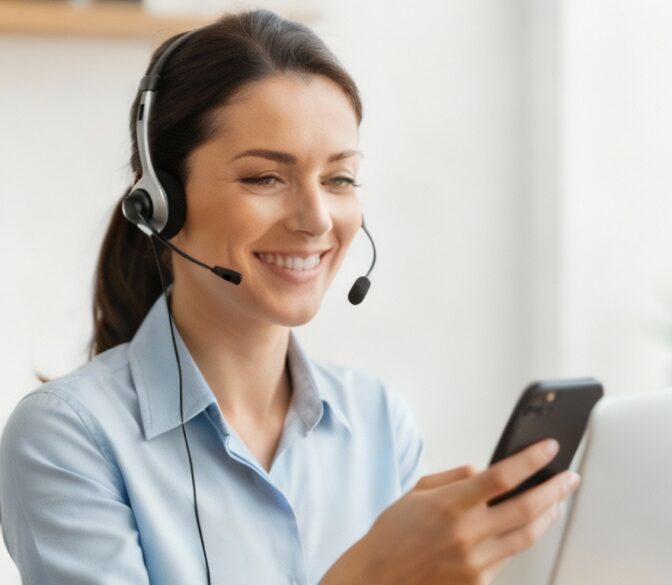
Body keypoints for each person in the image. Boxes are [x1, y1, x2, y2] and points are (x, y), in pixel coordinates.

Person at [0, 9, 579, 585]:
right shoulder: (68, 438)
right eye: (265, 178)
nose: (316, 219)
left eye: (339, 179)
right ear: (161, 203)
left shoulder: (378, 421)